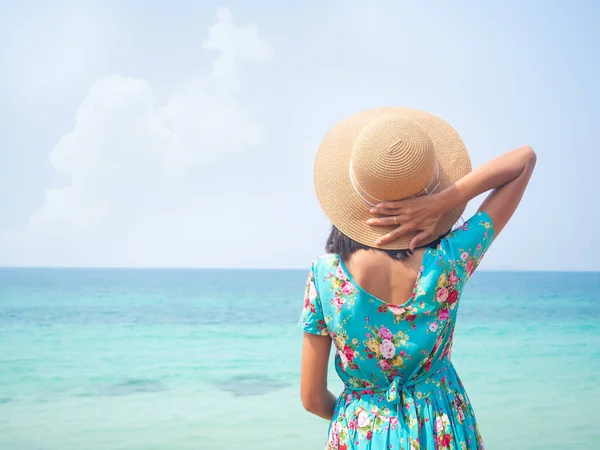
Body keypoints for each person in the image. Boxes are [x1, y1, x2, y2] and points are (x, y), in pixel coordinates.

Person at [298, 107, 536, 449]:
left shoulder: (325, 276)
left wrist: (367, 422)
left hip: (359, 433)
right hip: (442, 428)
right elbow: (524, 160)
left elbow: (311, 398)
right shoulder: (451, 259)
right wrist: (447, 199)